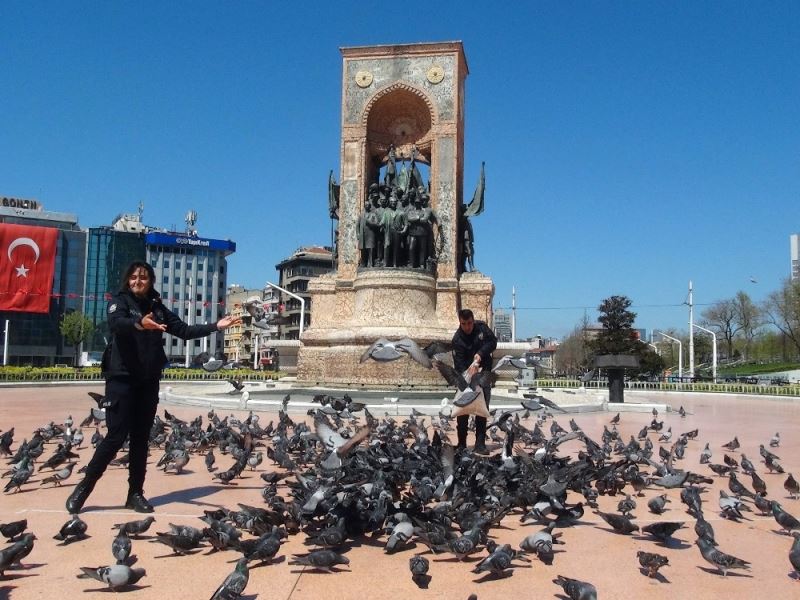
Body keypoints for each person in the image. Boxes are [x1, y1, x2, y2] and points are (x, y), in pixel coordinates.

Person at [65, 261, 240, 514]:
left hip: (147, 380)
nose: (138, 281)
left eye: (144, 277)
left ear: (151, 281)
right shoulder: (120, 302)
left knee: (140, 439)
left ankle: (135, 493)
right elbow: (117, 324)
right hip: (122, 378)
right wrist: (139, 324)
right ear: (128, 280)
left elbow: (183, 330)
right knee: (115, 437)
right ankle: (84, 487)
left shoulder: (157, 307)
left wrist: (216, 326)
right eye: (134, 277)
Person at [451, 308, 497, 454]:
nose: (467, 327)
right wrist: (469, 373)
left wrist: (480, 354)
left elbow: (493, 342)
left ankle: (480, 444)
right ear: (460, 322)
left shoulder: (481, 328)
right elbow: (458, 364)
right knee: (463, 411)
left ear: (473, 320)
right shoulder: (457, 339)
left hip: (483, 375)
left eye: (469, 323)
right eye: (464, 324)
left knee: (481, 410)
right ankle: (462, 443)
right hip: (466, 378)